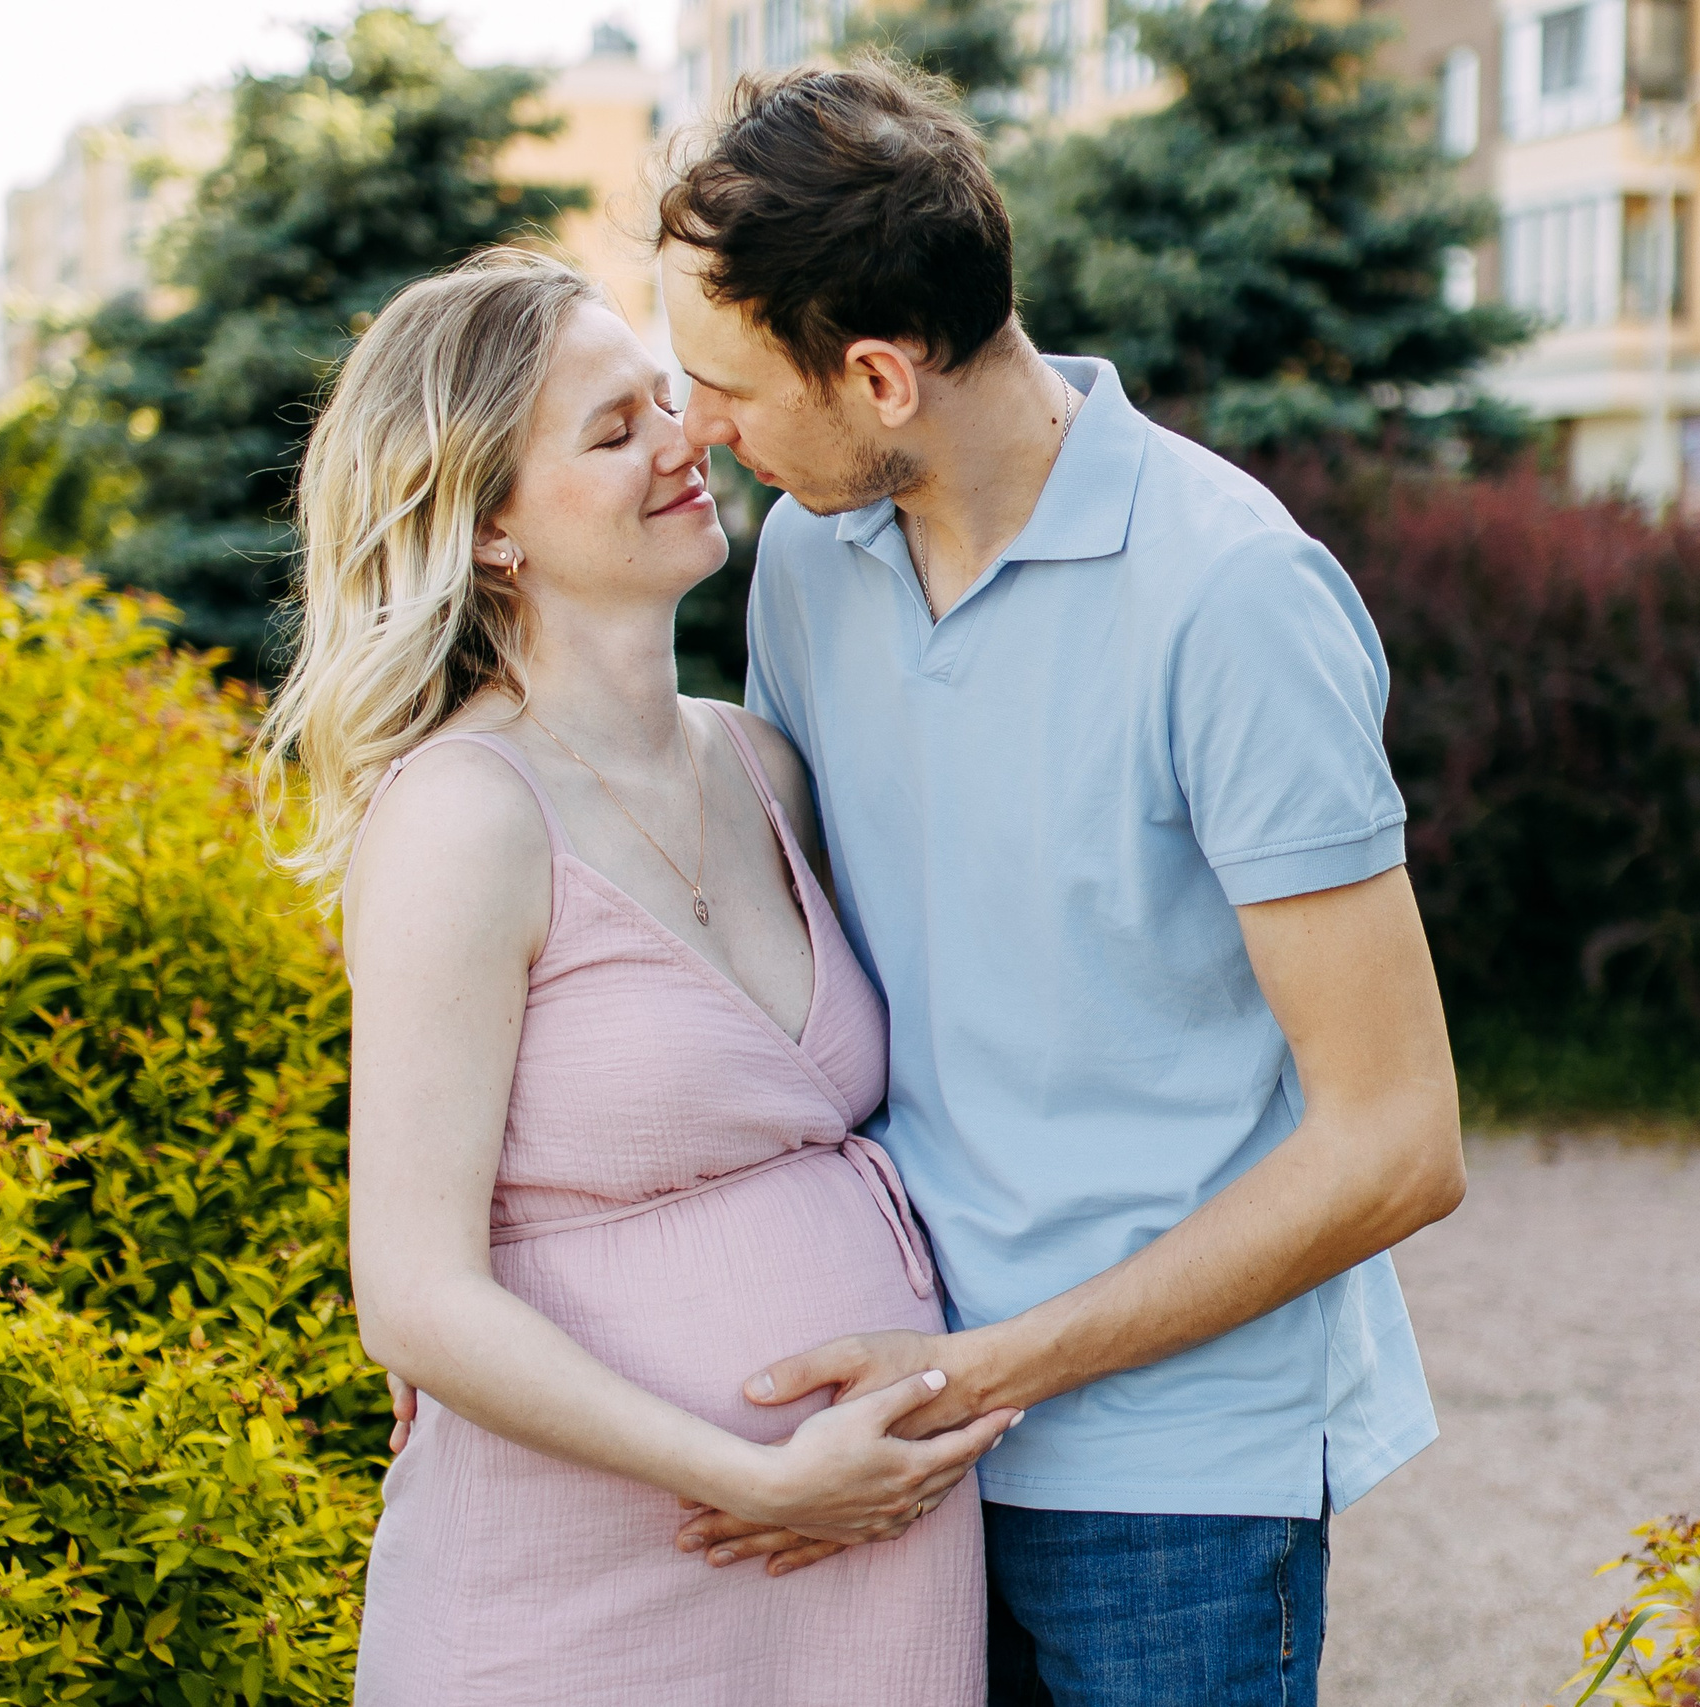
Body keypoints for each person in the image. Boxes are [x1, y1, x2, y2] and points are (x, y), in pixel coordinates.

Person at [652, 63, 1470, 1707]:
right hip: (894, 1432)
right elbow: (790, 982)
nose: (699, 431)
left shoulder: (1233, 596)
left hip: (1173, 1482)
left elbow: (1398, 1144)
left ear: (878, 376)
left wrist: (986, 1371)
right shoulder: (809, 560)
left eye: (723, 386)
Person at [259, 249, 1018, 1706]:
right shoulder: (463, 816)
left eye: (665, 401)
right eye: (616, 431)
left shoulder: (763, 766)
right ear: (489, 529)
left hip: (865, 1568)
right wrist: (755, 1474)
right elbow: (412, 1296)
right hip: (593, 1579)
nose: (686, 441)